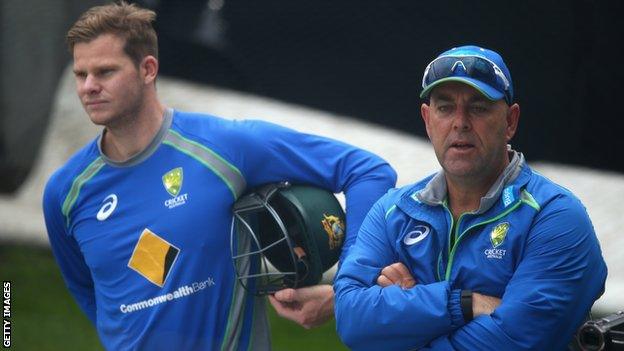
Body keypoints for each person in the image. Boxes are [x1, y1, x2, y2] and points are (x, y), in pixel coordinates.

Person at [41, 2, 396, 350]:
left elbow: (368, 171)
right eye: (80, 74)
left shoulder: (227, 146)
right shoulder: (65, 192)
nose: (88, 86)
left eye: (104, 72)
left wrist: (349, 288)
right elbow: (92, 293)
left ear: (147, 69)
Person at [334, 45, 608, 350]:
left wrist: (407, 315)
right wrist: (464, 304)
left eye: (478, 107)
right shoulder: (393, 210)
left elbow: (513, 341)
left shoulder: (555, 217)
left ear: (510, 121)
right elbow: (350, 319)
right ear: (427, 120)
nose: (460, 122)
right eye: (445, 107)